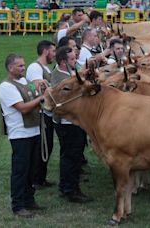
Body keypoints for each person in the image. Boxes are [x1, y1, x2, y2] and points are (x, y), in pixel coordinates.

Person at [0, 53, 47, 218]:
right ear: (10, 68)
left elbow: (34, 95)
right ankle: (18, 205)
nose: (23, 68)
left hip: (34, 130)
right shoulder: (6, 86)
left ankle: (29, 199)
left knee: (32, 169)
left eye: (23, 65)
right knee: (20, 171)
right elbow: (23, 108)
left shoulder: (26, 82)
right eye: (20, 66)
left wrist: (41, 90)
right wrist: (42, 98)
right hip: (20, 134)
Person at [51, 46, 94, 203]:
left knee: (69, 156)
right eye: (72, 59)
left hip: (71, 122)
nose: (75, 61)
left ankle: (66, 186)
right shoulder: (60, 77)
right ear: (63, 61)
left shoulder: (65, 73)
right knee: (72, 156)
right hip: (68, 123)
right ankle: (71, 190)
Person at [25, 40, 56, 190]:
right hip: (40, 113)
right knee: (42, 146)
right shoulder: (34, 67)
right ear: (45, 51)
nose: (54, 55)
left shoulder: (45, 68)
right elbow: (38, 87)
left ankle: (40, 177)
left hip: (47, 112)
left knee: (47, 145)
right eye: (53, 51)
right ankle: (36, 179)